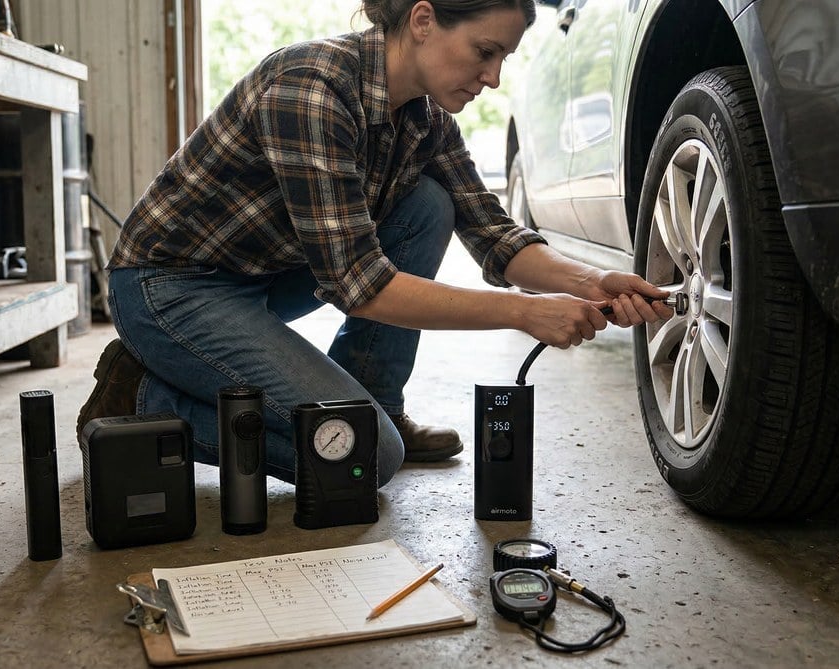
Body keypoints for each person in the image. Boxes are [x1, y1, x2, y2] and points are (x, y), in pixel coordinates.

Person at [78, 0, 672, 488]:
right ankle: (143, 400)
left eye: (502, 59)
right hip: (172, 286)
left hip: (263, 277)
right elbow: (360, 286)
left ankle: (375, 403)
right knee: (368, 458)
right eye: (484, 52)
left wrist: (593, 282)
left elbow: (495, 236)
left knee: (428, 204)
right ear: (423, 21)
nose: (493, 77)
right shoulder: (310, 88)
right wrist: (524, 313)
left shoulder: (427, 121)